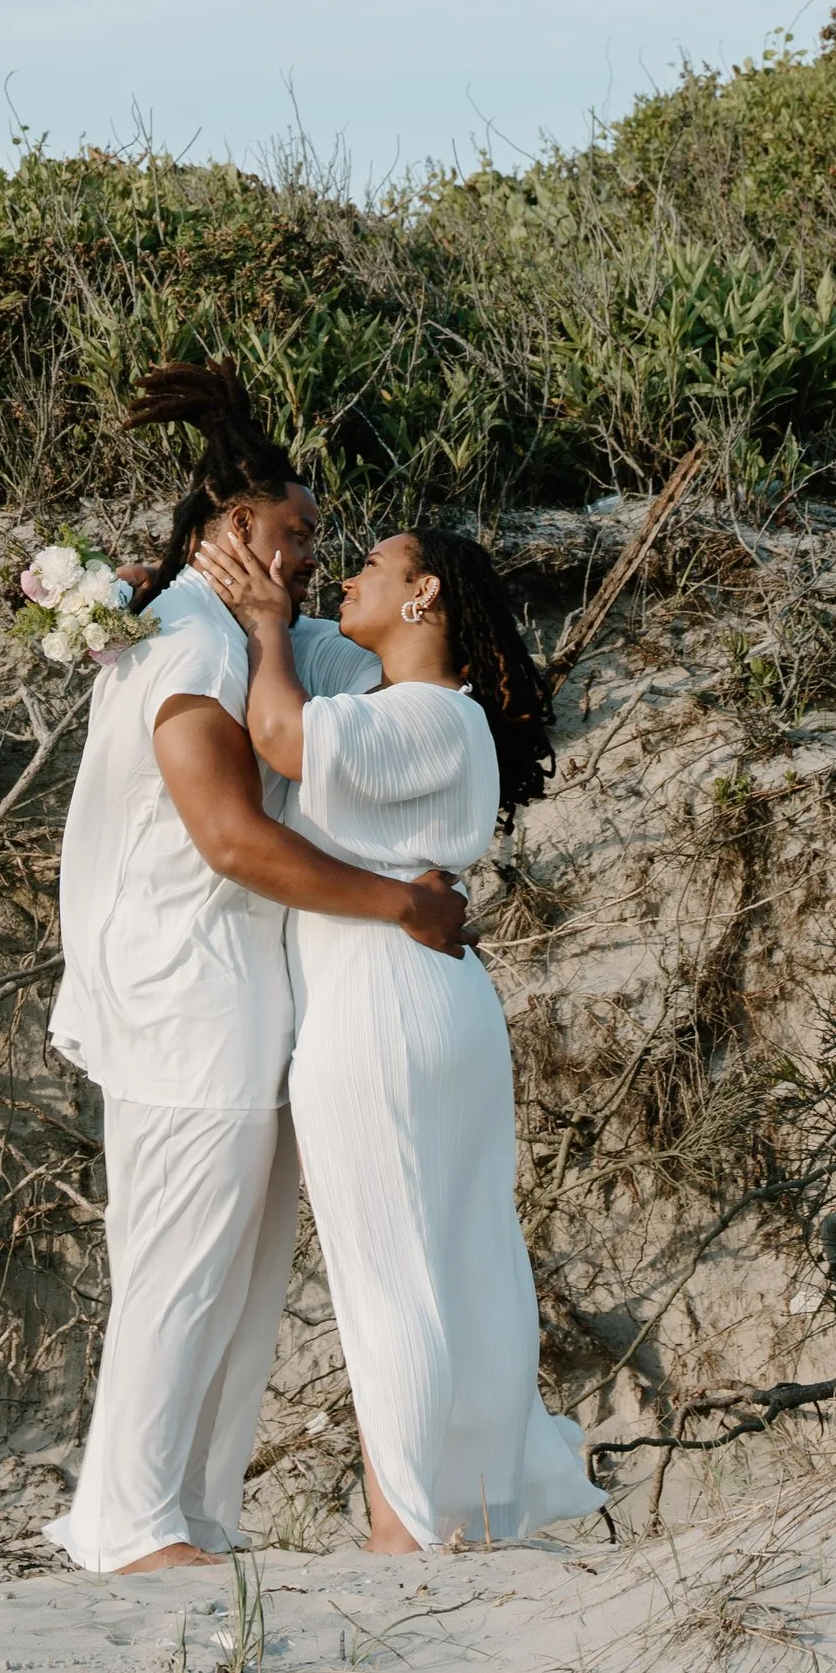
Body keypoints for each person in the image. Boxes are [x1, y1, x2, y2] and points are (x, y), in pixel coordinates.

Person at [46, 365, 469, 1577]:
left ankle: (188, 1511)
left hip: (243, 991)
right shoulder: (184, 643)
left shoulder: (240, 636)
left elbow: (380, 670)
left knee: (234, 1270)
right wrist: (404, 906)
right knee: (182, 1263)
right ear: (232, 533)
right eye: (293, 535)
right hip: (186, 991)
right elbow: (230, 837)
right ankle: (127, 1523)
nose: (306, 557)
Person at [193, 517, 595, 1555]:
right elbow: (290, 689)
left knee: (393, 1270)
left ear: (422, 599)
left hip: (382, 1008)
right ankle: (462, 1508)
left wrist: (272, 622)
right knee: (452, 1255)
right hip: (414, 1001)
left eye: (374, 564)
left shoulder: (428, 713)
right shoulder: (407, 706)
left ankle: (410, 1527)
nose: (352, 574)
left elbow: (281, 737)